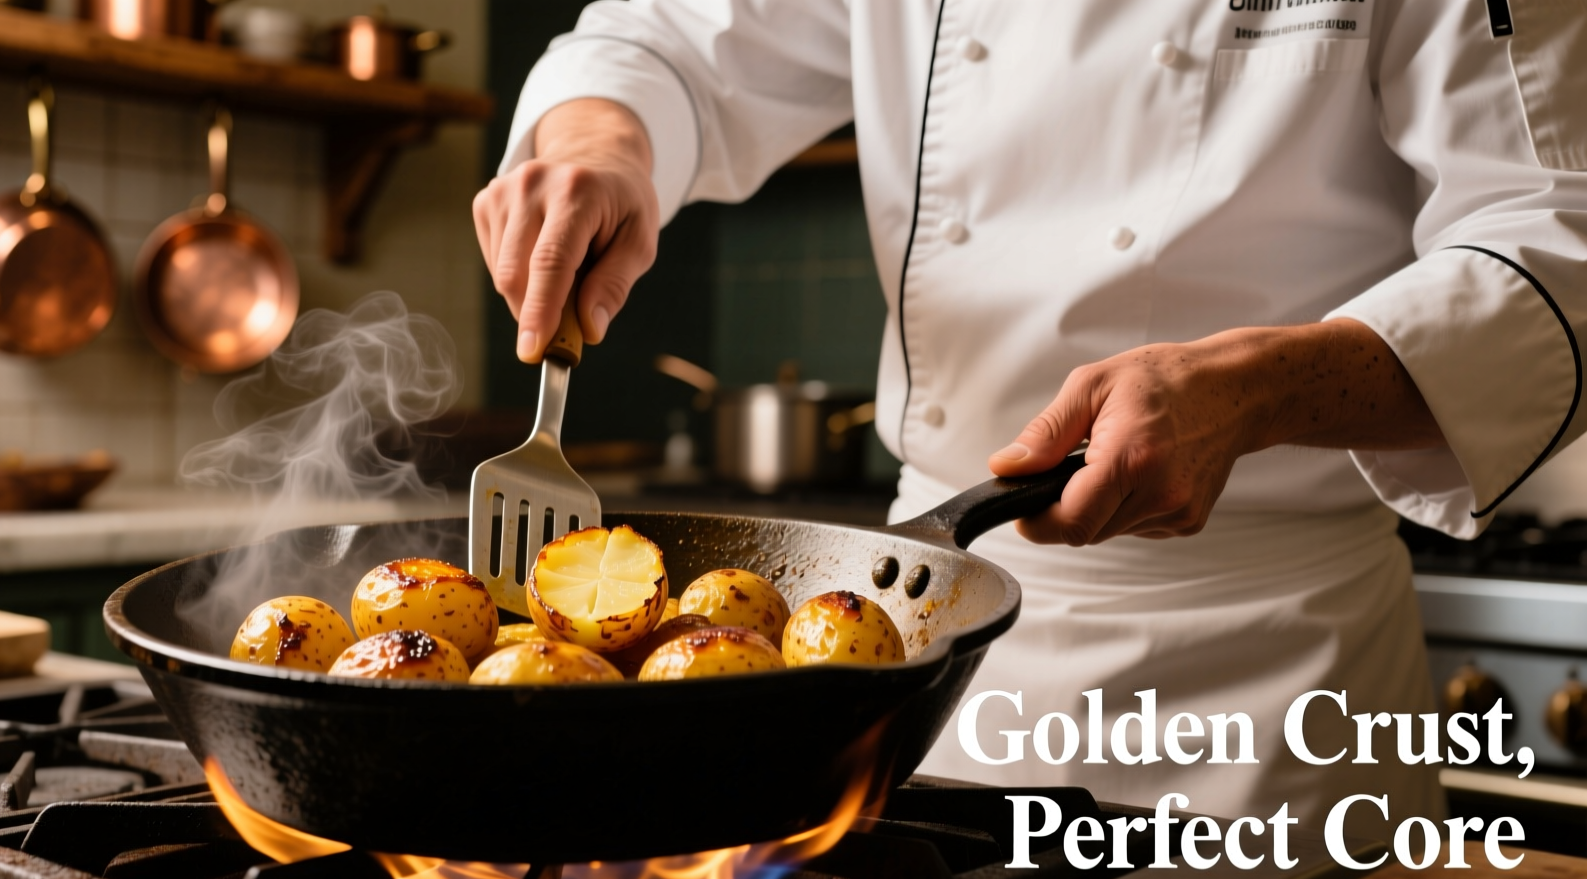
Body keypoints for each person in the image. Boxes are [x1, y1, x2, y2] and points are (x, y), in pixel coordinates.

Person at [473, 1, 1587, 830]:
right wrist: (600, 144)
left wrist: (1257, 388)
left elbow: (1556, 242)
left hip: (1267, 693)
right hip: (922, 661)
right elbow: (669, 38)